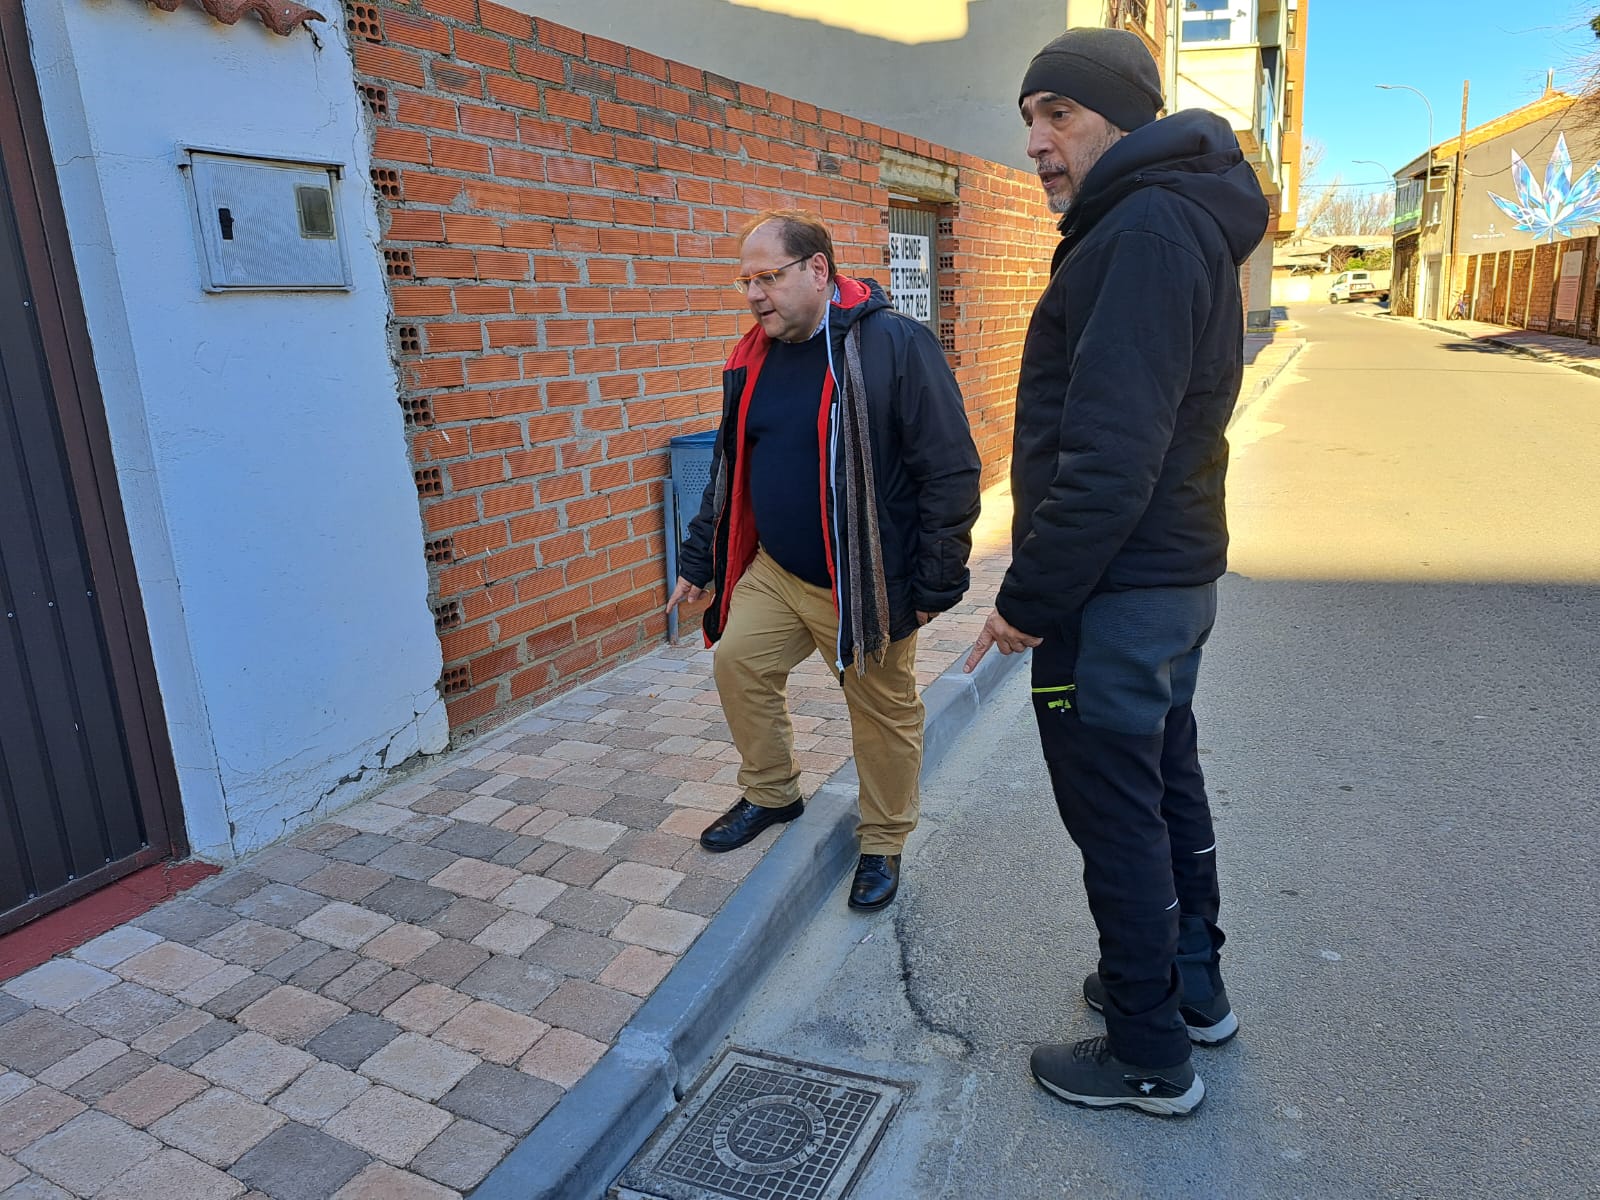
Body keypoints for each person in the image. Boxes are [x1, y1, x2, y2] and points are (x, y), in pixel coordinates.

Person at [964, 28, 1268, 1115]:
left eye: (1057, 113)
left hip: (1120, 590)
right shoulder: (1166, 218)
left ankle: (1146, 1050)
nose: (1037, 141)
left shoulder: (1137, 231)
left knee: (1116, 816)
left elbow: (1107, 456)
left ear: (1121, 117)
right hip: (1167, 579)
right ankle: (1190, 992)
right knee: (1160, 783)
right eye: (1028, 119)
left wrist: (1025, 603)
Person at [668, 210, 981, 911]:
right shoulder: (753, 356)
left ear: (817, 270)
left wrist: (935, 580)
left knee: (882, 712)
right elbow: (729, 465)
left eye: (767, 277)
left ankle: (883, 838)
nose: (753, 294)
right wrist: (700, 557)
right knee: (737, 660)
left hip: (863, 580)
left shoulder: (894, 345)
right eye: (745, 280)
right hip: (778, 572)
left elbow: (952, 470)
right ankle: (773, 794)